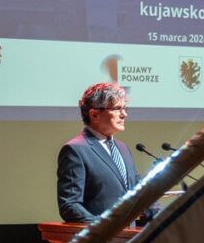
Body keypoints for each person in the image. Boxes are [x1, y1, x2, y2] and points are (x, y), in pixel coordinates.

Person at [57, 82, 148, 222]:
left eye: (124, 108)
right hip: (101, 239)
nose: (124, 114)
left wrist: (165, 216)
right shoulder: (75, 150)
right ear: (94, 114)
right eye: (117, 109)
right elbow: (70, 205)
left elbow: (140, 192)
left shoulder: (123, 148)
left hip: (130, 239)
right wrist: (103, 228)